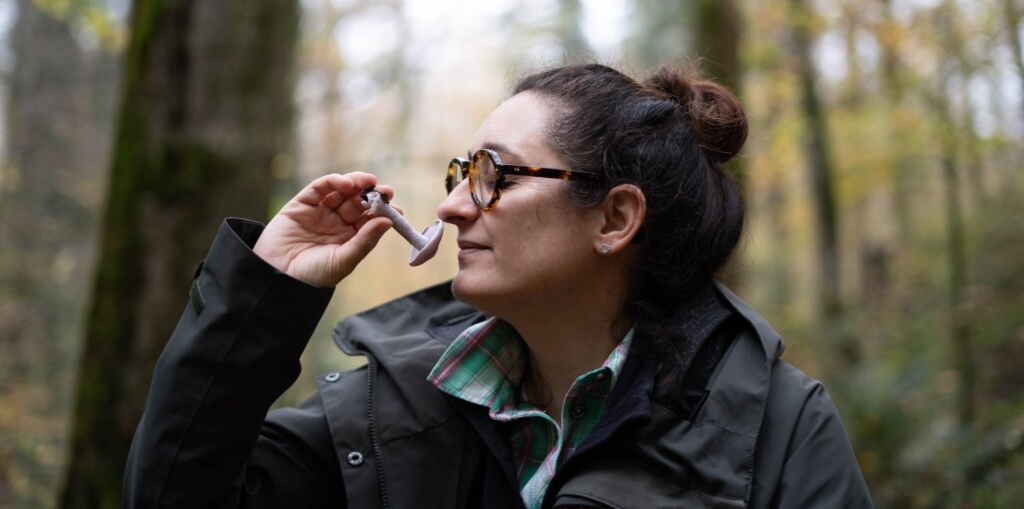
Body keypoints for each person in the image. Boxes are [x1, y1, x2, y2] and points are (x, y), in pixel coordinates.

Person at [124, 63, 873, 508]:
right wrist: (264, 294)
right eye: (460, 174)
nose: (452, 206)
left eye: (492, 176)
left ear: (615, 218)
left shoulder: (778, 428)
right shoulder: (393, 407)